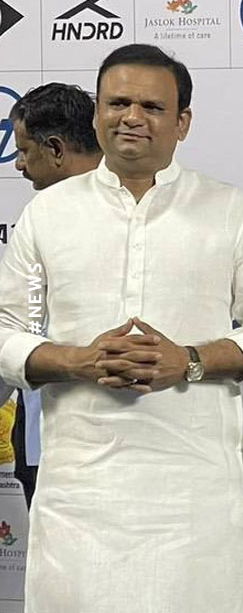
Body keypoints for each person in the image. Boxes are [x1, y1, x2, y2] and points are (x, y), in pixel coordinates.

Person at [0, 43, 243, 612]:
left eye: (152, 107)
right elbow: (7, 330)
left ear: (182, 122)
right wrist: (79, 361)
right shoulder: (48, 214)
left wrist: (189, 360)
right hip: (78, 493)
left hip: (193, 497)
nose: (132, 117)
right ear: (97, 115)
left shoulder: (228, 209)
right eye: (117, 103)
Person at [4, 82, 103, 506]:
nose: (19, 165)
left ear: (56, 149)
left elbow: (22, 325)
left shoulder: (150, 209)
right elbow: (22, 325)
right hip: (47, 435)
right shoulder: (41, 221)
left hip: (92, 441)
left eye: (24, 151)